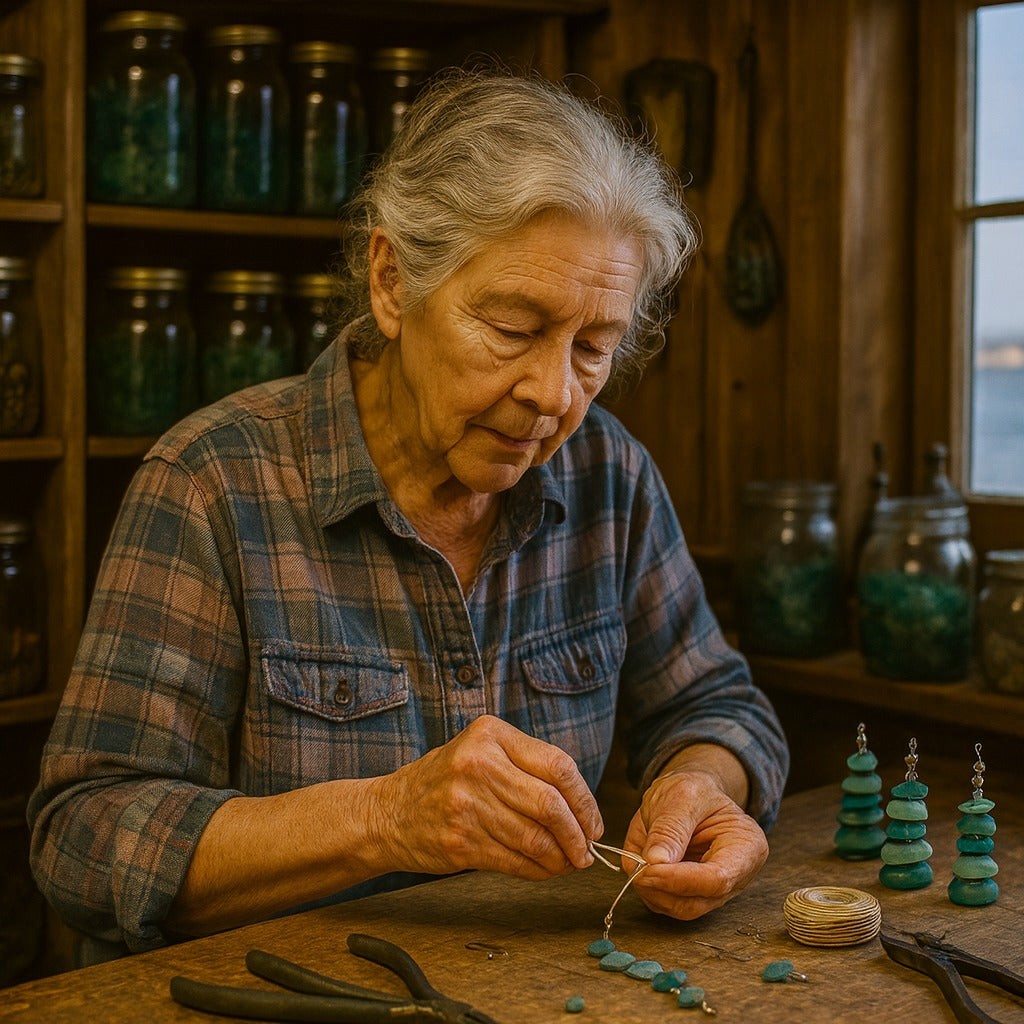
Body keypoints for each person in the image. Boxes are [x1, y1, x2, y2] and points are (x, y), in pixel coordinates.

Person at [28, 69, 789, 961]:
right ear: (392, 283)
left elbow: (719, 702)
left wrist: (702, 783)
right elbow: (82, 837)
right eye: (511, 328)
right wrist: (383, 819)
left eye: (592, 347)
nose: (552, 394)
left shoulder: (607, 473)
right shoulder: (212, 484)